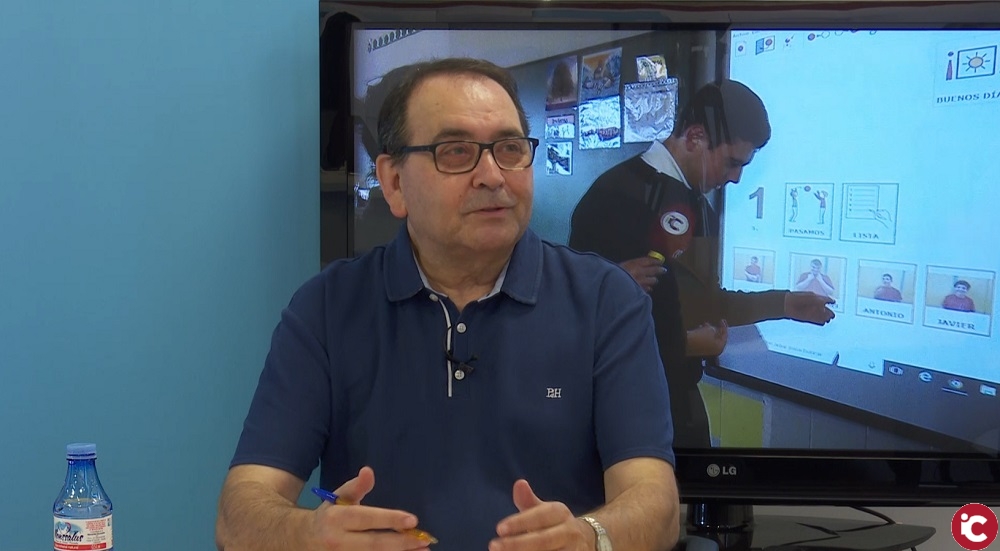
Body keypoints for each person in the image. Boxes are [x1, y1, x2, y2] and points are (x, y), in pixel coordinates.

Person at [216, 58, 680, 551]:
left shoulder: (607, 301)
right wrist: (306, 534)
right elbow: (238, 513)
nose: (492, 176)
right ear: (394, 183)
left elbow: (657, 505)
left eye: (510, 149)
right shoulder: (326, 308)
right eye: (456, 152)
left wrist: (590, 537)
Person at [569, 79, 835, 448]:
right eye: (732, 162)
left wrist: (784, 304)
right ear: (695, 137)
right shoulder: (613, 197)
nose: (736, 178)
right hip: (619, 413)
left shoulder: (700, 209)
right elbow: (577, 319)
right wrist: (681, 343)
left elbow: (702, 305)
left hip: (680, 404)